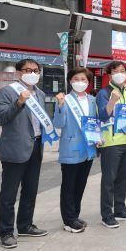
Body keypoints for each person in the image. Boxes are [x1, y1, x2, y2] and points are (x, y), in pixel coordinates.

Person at [0, 59, 51, 248]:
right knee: (9, 193)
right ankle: (5, 231)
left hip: (36, 146)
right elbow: (2, 118)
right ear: (18, 72)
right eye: (29, 70)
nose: (33, 73)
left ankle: (25, 225)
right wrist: (19, 103)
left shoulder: (41, 94)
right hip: (15, 148)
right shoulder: (8, 91)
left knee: (30, 189)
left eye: (36, 71)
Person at [54, 67, 98, 233]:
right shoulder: (65, 100)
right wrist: (60, 105)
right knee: (69, 185)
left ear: (88, 82)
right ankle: (68, 219)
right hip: (71, 148)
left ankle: (75, 215)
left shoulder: (92, 100)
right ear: (70, 81)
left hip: (87, 150)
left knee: (80, 184)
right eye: (76, 79)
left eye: (84, 79)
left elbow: (94, 123)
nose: (80, 82)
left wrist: (98, 138)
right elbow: (58, 124)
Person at [96, 61, 126, 228]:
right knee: (109, 179)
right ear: (109, 74)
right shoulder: (104, 93)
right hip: (111, 143)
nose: (120, 73)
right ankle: (107, 214)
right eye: (116, 71)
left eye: (123, 71)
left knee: (123, 177)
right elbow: (102, 116)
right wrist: (112, 101)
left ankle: (120, 209)